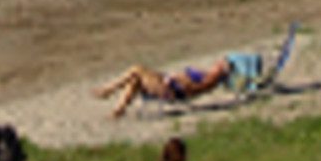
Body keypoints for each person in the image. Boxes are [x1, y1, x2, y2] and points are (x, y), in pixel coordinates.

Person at [93, 58, 230, 118]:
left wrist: (173, 83)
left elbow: (193, 90)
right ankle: (118, 111)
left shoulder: (210, 80)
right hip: (168, 82)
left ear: (221, 71)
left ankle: (108, 91)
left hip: (172, 90)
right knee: (135, 80)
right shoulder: (207, 74)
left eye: (219, 64)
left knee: (137, 69)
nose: (216, 63)